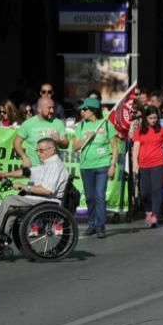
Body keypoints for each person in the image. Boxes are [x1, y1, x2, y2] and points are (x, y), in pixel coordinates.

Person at [0, 138, 69, 244]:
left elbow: (47, 190)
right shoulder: (47, 163)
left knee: (9, 201)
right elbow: (27, 172)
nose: (38, 154)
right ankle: (2, 234)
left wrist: (24, 186)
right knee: (15, 200)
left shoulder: (54, 165)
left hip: (50, 201)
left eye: (41, 150)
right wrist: (5, 174)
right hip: (42, 199)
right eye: (37, 151)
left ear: (52, 150)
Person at [71, 98, 119, 239]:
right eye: (82, 109)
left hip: (102, 165)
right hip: (86, 166)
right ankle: (91, 224)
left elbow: (115, 147)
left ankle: (100, 226)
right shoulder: (80, 126)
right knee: (90, 197)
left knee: (99, 196)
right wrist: (86, 138)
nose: (82, 111)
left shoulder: (106, 124)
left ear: (93, 110)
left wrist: (113, 165)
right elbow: (74, 147)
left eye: (85, 109)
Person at [132, 106, 163, 229]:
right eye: (150, 118)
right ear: (146, 118)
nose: (153, 120)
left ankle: (154, 215)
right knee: (145, 192)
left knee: (156, 190)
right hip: (144, 165)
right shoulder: (140, 131)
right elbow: (136, 148)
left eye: (155, 118)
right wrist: (135, 163)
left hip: (159, 164)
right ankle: (148, 212)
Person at [14, 96, 69, 167]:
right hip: (34, 169)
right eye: (49, 108)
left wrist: (58, 140)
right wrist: (24, 157)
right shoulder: (28, 124)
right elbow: (16, 143)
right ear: (39, 109)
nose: (52, 110)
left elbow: (66, 145)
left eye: (53, 107)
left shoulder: (58, 123)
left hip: (53, 169)